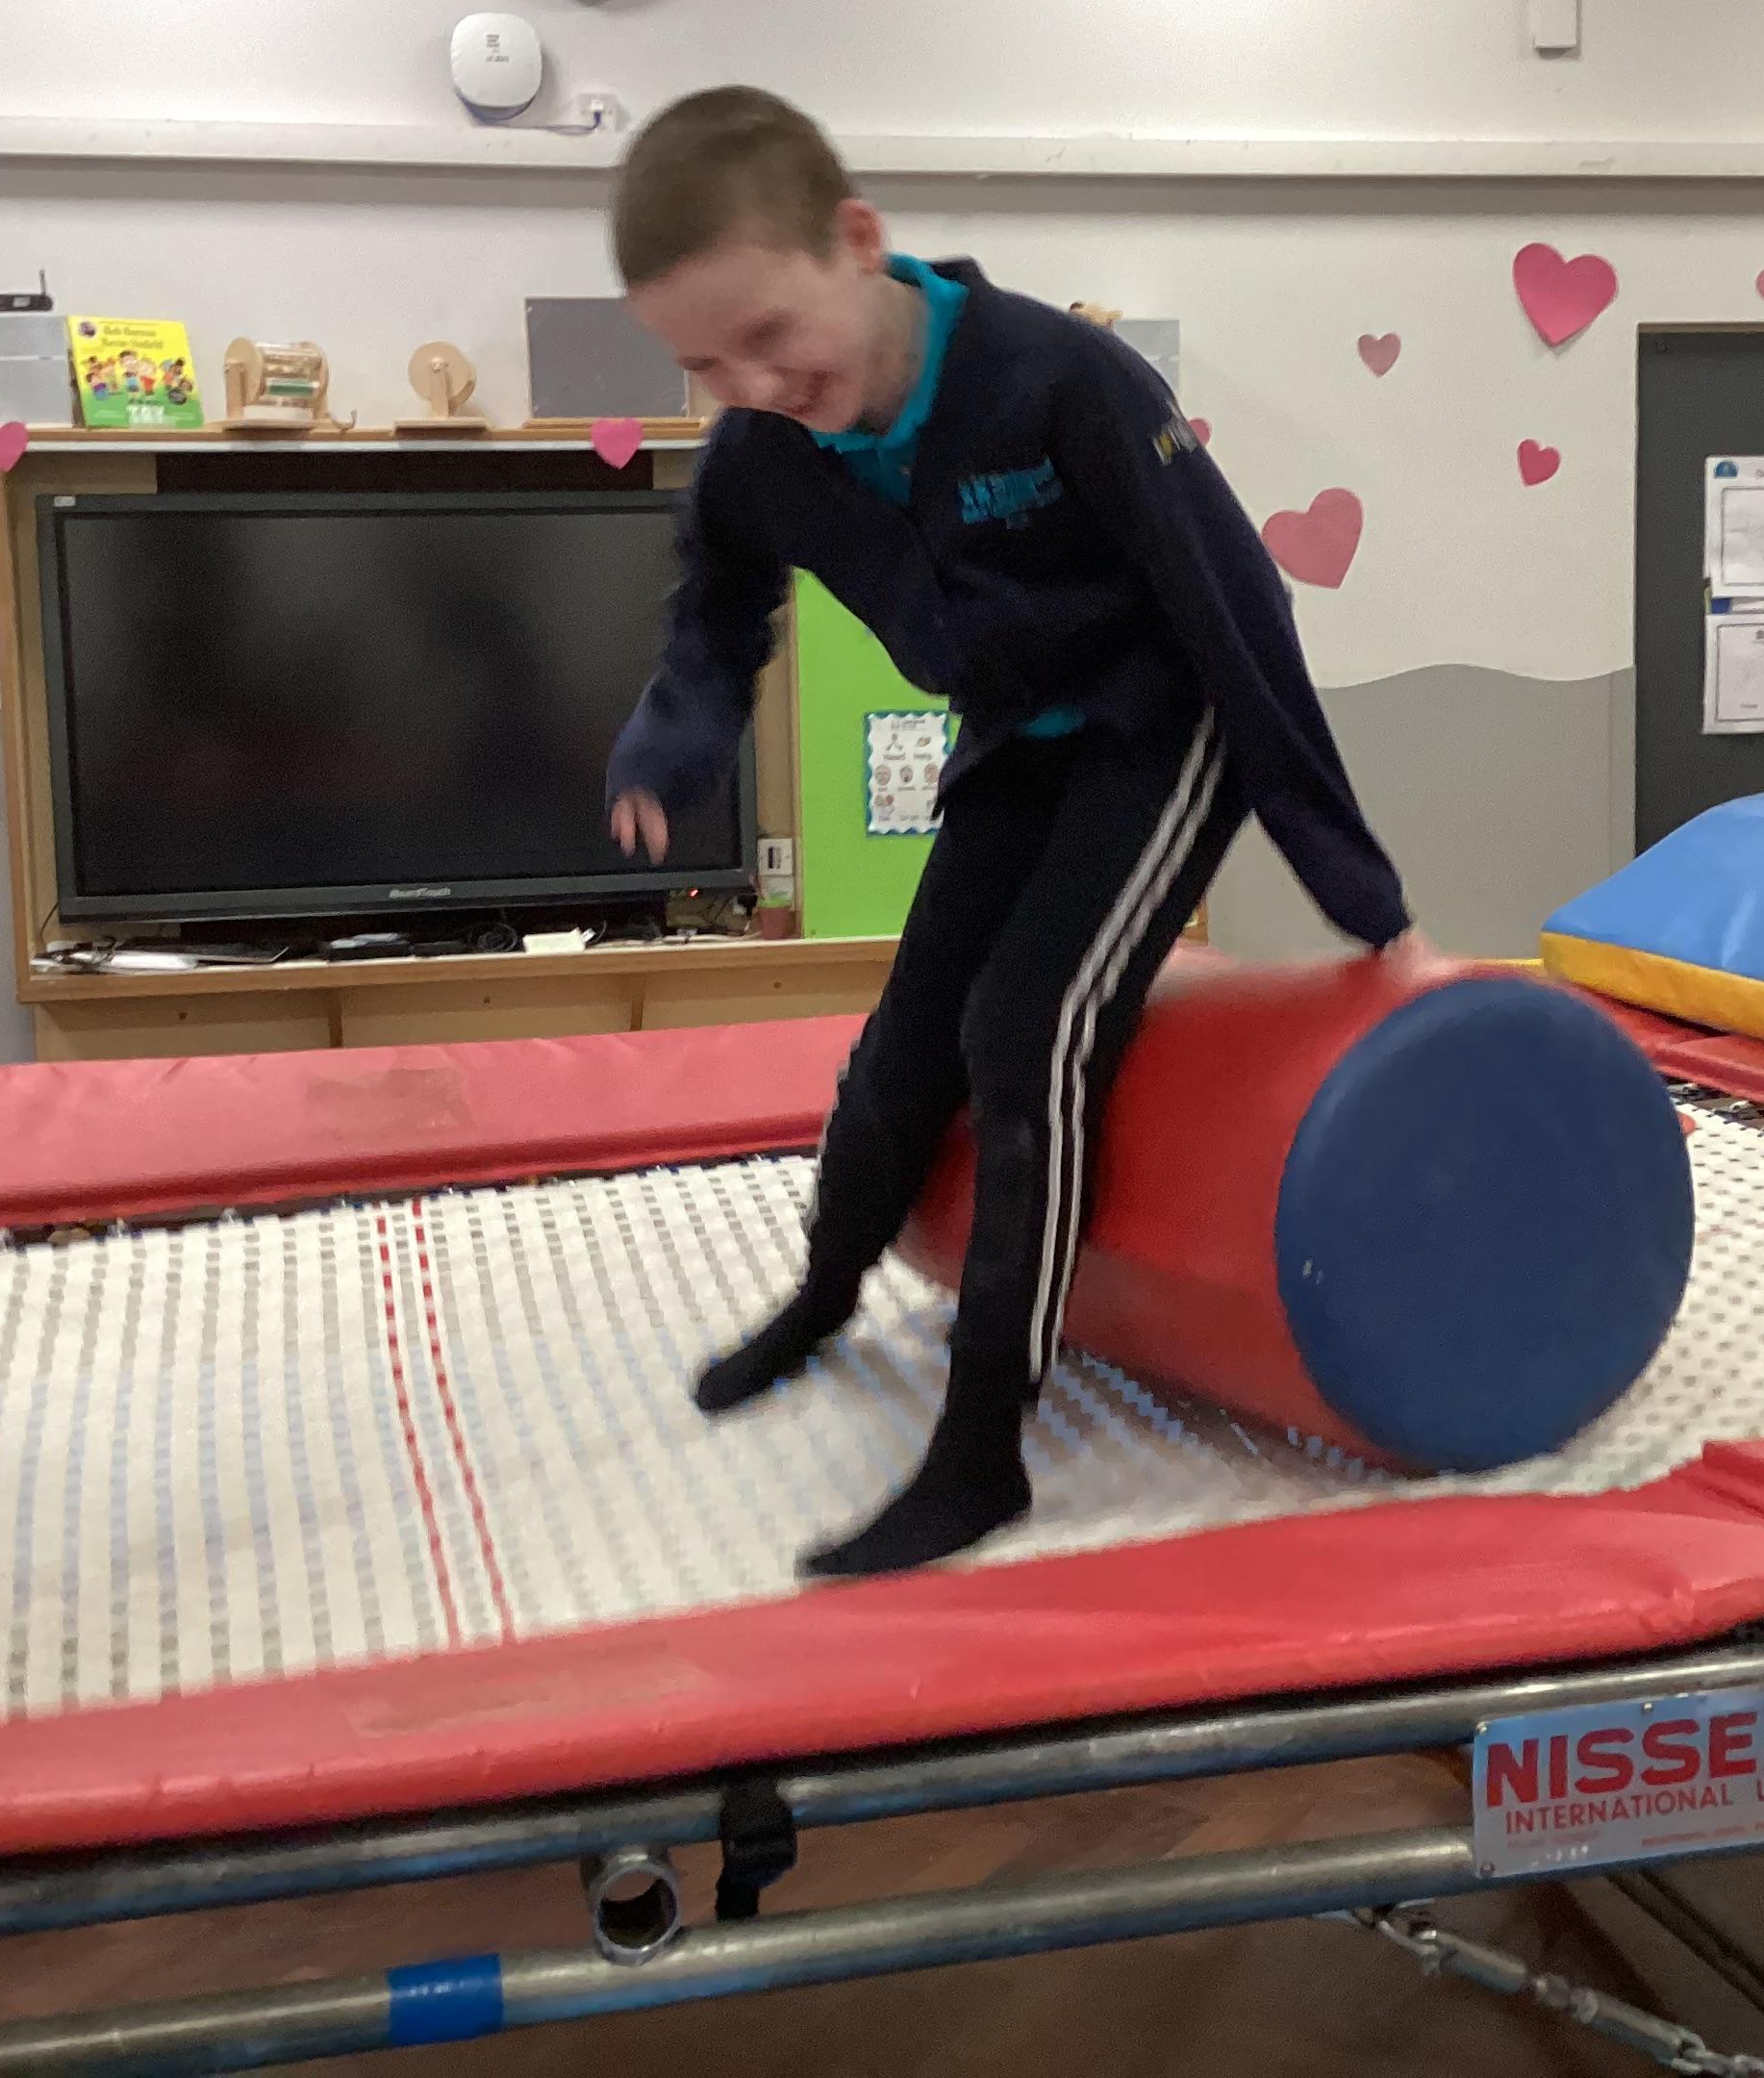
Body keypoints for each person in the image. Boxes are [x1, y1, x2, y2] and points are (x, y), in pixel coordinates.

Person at [606, 87, 1415, 1578]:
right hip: (1011, 740)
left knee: (1027, 1030)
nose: (750, 383)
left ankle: (983, 1447)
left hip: (1161, 728)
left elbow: (1233, 603)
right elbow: (717, 604)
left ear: (859, 239)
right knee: (905, 1040)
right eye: (703, 363)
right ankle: (827, 1293)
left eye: (769, 334)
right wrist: (674, 738)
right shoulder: (760, 451)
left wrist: (1350, 879)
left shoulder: (1056, 381)